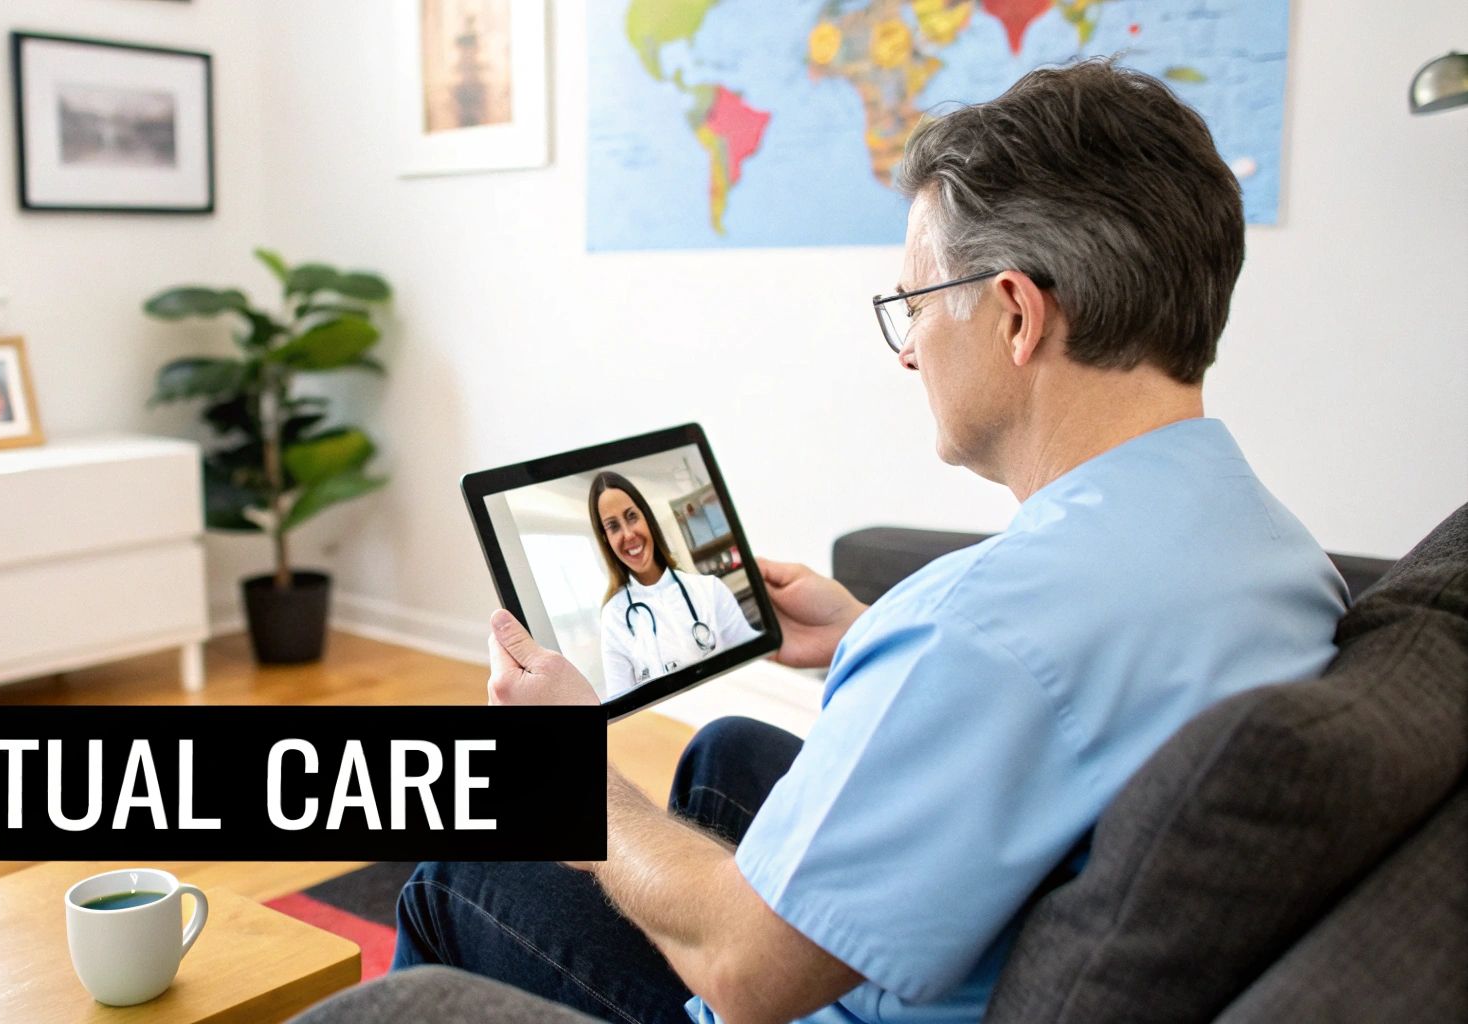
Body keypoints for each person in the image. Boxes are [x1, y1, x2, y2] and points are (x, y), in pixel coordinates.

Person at [390, 59, 1348, 1024]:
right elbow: (1062, 706)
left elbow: (748, 974)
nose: (905, 349)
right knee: (726, 750)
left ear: (1016, 314)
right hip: (1013, 934)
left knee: (455, 872)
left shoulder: (974, 629)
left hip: (792, 997)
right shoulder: (1274, 548)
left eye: (915, 306)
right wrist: (866, 635)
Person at [590, 471, 760, 696]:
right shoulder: (614, 617)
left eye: (632, 516)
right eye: (613, 526)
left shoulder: (710, 589)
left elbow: (756, 662)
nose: (628, 534)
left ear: (647, 518)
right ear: (606, 539)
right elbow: (624, 709)